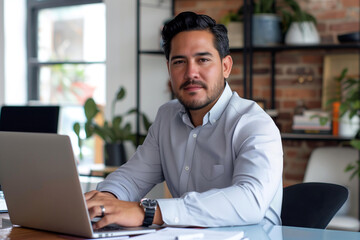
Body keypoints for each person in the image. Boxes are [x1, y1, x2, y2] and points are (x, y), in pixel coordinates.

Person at [85, 11, 283, 229]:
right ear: (169, 69)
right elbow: (132, 177)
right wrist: (104, 201)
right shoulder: (167, 117)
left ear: (226, 66)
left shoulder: (254, 123)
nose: (191, 73)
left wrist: (149, 211)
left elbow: (250, 201)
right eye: (179, 61)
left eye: (203, 60)